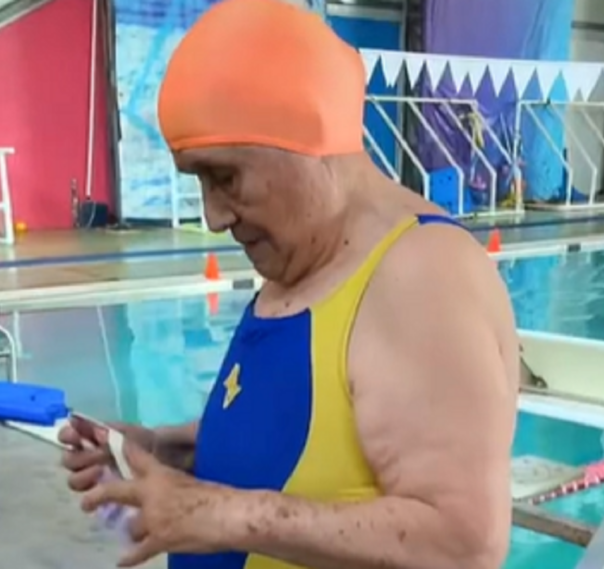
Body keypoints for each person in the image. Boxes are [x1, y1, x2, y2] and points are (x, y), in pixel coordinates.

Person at [59, 1, 520, 568]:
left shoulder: (421, 274)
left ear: (307, 141)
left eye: (224, 176)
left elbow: (463, 545)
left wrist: (216, 513)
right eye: (199, 180)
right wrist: (164, 451)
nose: (213, 216)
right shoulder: (305, 260)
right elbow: (303, 434)